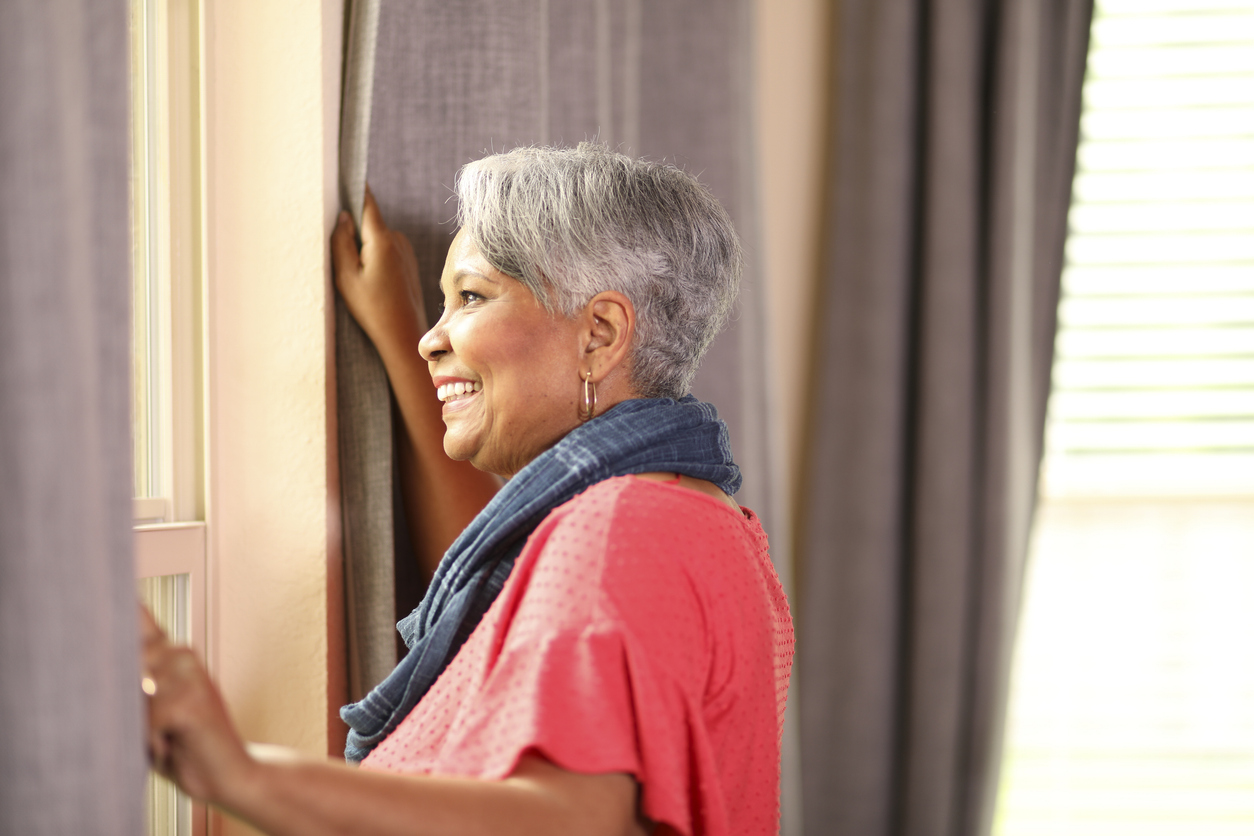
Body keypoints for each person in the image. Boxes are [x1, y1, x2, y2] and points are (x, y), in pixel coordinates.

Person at [140, 143, 794, 836]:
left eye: (472, 297)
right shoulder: (699, 522)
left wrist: (238, 775)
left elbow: (566, 823)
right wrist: (396, 331)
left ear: (598, 335)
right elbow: (495, 603)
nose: (431, 339)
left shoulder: (620, 535)